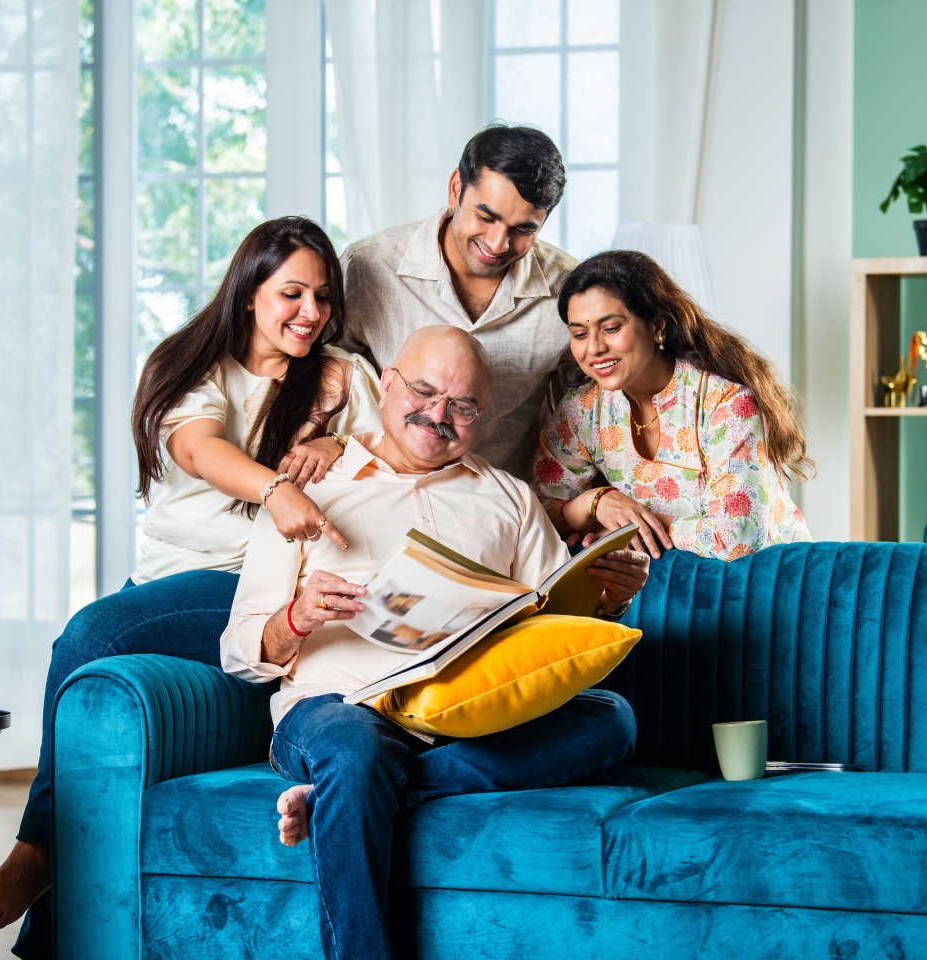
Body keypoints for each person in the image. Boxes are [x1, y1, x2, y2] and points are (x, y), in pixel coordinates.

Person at [0, 216, 382, 959]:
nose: (311, 312)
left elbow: (392, 460)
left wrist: (338, 444)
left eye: (324, 296)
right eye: (292, 293)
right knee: (93, 649)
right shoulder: (195, 365)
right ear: (249, 292)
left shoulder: (344, 377)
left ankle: (36, 856)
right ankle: (43, 906)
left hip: (260, 587)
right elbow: (199, 448)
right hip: (174, 581)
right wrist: (275, 489)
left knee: (90, 634)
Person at [221, 326, 649, 960]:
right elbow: (238, 652)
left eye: (463, 405)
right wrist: (297, 617)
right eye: (423, 391)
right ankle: (353, 790)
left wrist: (609, 599)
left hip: (460, 714)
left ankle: (351, 794)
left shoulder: (510, 499)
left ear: (484, 414)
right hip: (338, 709)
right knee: (355, 747)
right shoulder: (306, 487)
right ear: (386, 385)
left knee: (610, 719)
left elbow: (550, 621)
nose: (438, 414)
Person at [532, 250, 812, 562]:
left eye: (611, 328)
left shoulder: (727, 403)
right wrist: (595, 503)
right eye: (580, 334)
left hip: (771, 577)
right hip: (670, 582)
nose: (594, 348)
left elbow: (738, 539)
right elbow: (535, 511)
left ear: (657, 327)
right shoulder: (583, 410)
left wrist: (632, 527)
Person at [339, 123, 578, 481]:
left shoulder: (569, 291)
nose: (497, 243)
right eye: (486, 216)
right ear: (456, 189)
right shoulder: (367, 267)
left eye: (523, 229)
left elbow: (583, 417)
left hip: (503, 500)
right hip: (378, 488)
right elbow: (322, 376)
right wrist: (330, 442)